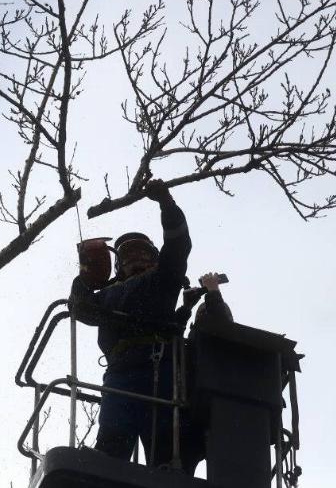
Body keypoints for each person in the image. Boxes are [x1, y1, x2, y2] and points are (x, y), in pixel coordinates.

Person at [70, 179, 192, 467]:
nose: (135, 259)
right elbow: (82, 311)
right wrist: (85, 276)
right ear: (118, 265)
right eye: (127, 255)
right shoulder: (109, 294)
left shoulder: (163, 279)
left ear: (154, 259)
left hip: (158, 367)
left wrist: (166, 202)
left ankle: (167, 467)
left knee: (164, 440)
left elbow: (178, 244)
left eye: (142, 253)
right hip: (120, 370)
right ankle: (106, 467)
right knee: (113, 437)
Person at [181, 272, 233, 475]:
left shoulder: (226, 340)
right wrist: (187, 306)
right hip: (195, 411)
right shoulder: (190, 344)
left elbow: (221, 324)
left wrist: (212, 293)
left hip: (214, 410)